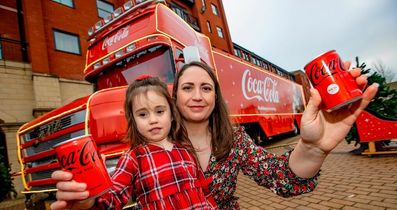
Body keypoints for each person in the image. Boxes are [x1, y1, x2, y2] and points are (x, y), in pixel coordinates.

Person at [52, 61, 378, 209]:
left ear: (215, 97)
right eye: (188, 88)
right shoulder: (150, 148)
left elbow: (282, 179)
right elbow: (113, 195)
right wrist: (87, 200)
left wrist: (315, 147)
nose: (197, 96)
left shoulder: (233, 140)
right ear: (174, 98)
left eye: (206, 88)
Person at [51, 76, 217, 209]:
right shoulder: (133, 157)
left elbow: (203, 189)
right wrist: (87, 201)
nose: (153, 120)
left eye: (159, 111)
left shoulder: (185, 149)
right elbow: (113, 198)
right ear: (133, 121)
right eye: (143, 114)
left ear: (172, 114)